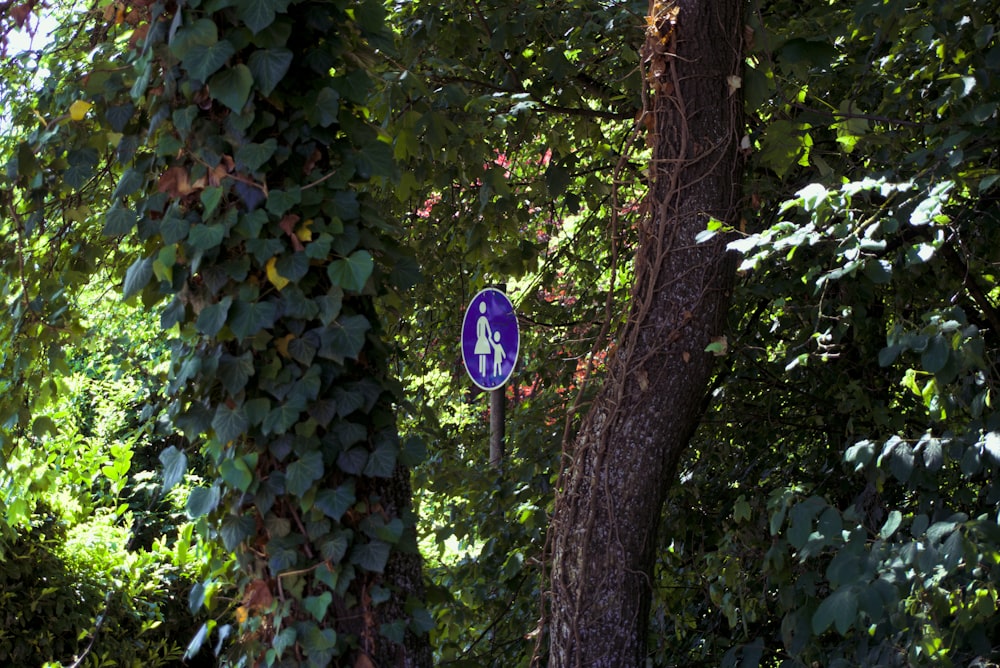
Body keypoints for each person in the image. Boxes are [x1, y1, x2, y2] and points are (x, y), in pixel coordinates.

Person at [474, 301, 493, 377]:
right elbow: (480, 329)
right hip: (482, 338)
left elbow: (486, 328)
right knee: (482, 354)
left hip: (482, 338)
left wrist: (486, 335)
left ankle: (483, 371)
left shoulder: (483, 319)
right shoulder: (482, 319)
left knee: (483, 354)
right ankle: (482, 372)